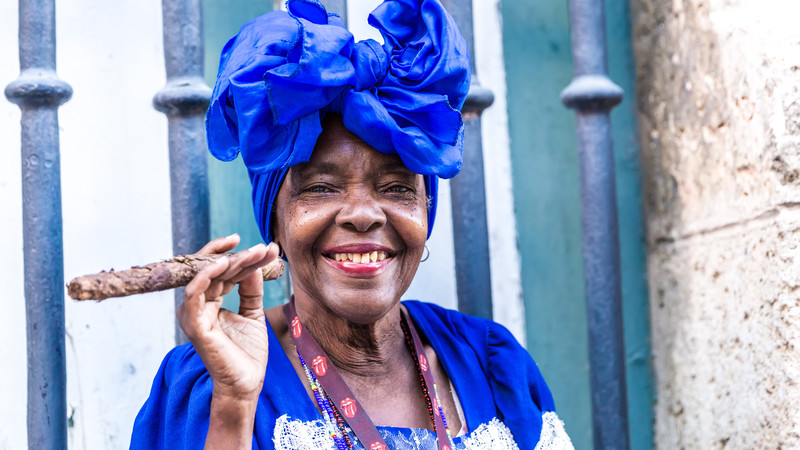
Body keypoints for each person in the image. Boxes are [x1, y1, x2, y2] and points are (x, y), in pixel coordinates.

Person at [131, 0, 573, 448]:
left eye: (397, 188)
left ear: (425, 212)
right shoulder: (208, 382)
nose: (363, 214)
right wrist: (235, 404)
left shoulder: (494, 368)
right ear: (276, 223)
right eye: (321, 188)